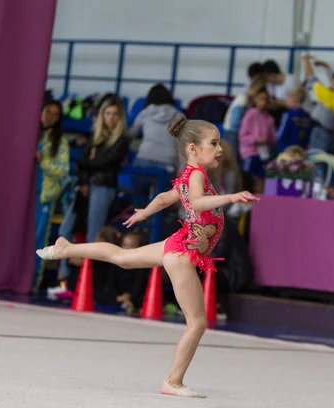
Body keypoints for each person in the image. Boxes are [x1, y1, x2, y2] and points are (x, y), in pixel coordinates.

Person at [37, 115, 259, 398]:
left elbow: (167, 198)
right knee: (198, 323)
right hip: (182, 252)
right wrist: (229, 198)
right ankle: (173, 381)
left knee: (123, 257)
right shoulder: (197, 176)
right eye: (213, 143)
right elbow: (198, 202)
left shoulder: (189, 175)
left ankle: (67, 248)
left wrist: (144, 211)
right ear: (193, 148)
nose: (219, 149)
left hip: (177, 244)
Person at [57, 97, 129, 279]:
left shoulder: (122, 139)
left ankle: (85, 278)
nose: (111, 118)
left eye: (115, 114)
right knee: (65, 229)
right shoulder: (95, 137)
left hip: (103, 187)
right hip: (85, 187)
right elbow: (83, 164)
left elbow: (106, 162)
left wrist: (88, 163)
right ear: (102, 115)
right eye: (108, 113)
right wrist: (83, 182)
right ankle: (64, 273)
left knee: (93, 234)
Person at [34, 100, 69, 292]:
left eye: (56, 114)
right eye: (48, 112)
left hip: (44, 195)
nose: (51, 117)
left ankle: (32, 281)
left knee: (38, 238)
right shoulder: (31, 132)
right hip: (27, 193)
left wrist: (43, 161)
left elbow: (63, 170)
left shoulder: (59, 141)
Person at [129, 84, 180, 197]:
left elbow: (130, 135)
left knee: (140, 202)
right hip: (168, 162)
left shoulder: (145, 113)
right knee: (161, 206)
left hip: (144, 160)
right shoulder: (179, 116)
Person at [302, 56, 334, 154]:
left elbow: (311, 77)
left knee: (318, 162)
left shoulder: (328, 96)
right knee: (330, 164)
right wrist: (326, 67)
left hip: (321, 133)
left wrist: (306, 62)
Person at [238, 87, 276, 193]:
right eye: (261, 99)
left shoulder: (269, 118)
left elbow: (273, 140)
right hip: (250, 153)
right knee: (249, 182)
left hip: (264, 154)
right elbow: (242, 136)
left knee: (263, 181)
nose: (264, 102)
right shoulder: (250, 114)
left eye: (266, 99)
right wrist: (257, 139)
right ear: (255, 100)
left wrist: (268, 140)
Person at [222, 74, 268, 155]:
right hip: (232, 132)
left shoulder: (248, 102)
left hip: (236, 132)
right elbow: (235, 122)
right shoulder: (242, 101)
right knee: (232, 156)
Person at [276, 88, 312, 152]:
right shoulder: (307, 116)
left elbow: (281, 135)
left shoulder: (288, 115)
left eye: (288, 98)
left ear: (294, 99)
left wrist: (272, 134)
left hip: (287, 151)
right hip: (301, 151)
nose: (286, 101)